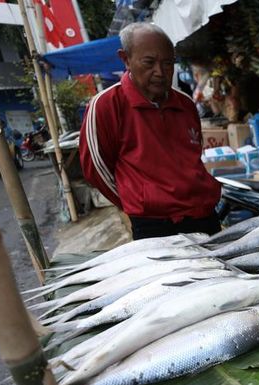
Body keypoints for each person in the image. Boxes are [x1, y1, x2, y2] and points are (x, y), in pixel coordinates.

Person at [79, 22, 221, 239]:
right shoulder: (106, 105)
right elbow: (96, 169)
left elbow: (194, 156)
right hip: (154, 225)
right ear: (126, 59)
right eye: (149, 62)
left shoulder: (185, 105)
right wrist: (138, 201)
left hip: (204, 215)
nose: (160, 72)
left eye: (167, 63)